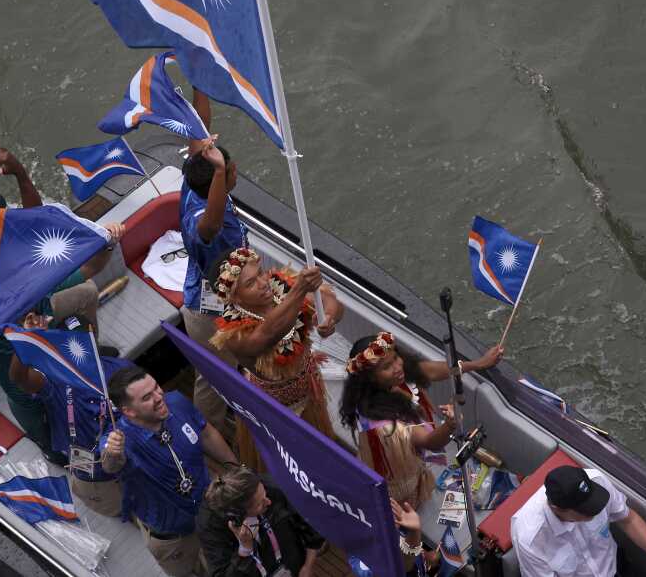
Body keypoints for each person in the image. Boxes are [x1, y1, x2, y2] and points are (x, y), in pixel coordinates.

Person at [0, 133, 124, 453]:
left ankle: (92, 351)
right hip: (25, 385)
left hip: (50, 339)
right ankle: (47, 446)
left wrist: (109, 241)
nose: (6, 227)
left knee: (87, 293)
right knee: (42, 425)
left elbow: (84, 262)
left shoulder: (20, 272)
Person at [205, 247, 343, 471]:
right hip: (278, 413)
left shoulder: (280, 285)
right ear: (233, 297)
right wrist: (299, 290)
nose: (263, 282)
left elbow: (330, 300)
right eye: (251, 283)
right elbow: (266, 336)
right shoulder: (232, 332)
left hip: (309, 388)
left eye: (260, 272)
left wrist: (327, 318)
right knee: (295, 467)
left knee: (321, 458)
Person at [338, 331, 502, 509]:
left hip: (409, 455)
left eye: (395, 358)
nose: (397, 366)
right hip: (396, 473)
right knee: (404, 505)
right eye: (387, 366)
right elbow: (429, 442)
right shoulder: (385, 423)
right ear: (369, 379)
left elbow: (431, 370)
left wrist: (479, 364)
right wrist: (450, 424)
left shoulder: (392, 378)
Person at [101, 366, 239, 576]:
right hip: (176, 539)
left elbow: (206, 433)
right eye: (147, 397)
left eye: (157, 387)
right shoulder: (120, 440)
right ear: (128, 411)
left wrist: (236, 469)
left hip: (214, 512)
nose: (159, 397)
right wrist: (112, 453)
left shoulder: (175, 401)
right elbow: (110, 465)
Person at [7, 312, 131, 516]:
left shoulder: (121, 368)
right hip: (91, 473)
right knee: (120, 510)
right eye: (71, 344)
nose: (79, 351)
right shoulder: (52, 380)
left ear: (93, 337)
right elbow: (19, 378)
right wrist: (26, 338)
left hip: (130, 454)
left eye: (82, 341)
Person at [179, 139, 249, 443]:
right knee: (213, 381)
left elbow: (197, 137)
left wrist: (200, 90)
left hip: (230, 298)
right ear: (228, 172)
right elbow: (212, 225)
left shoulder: (193, 185)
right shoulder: (203, 221)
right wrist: (220, 170)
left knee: (234, 367)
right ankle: (212, 441)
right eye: (229, 169)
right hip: (208, 313)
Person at [511, 465, 646, 577]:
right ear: (558, 509)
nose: (595, 509)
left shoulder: (596, 480)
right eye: (585, 510)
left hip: (616, 566)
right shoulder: (530, 537)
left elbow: (628, 519)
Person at [198, 467, 325, 577]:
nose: (268, 501)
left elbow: (309, 526)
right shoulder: (210, 526)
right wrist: (244, 549)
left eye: (264, 494)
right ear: (239, 514)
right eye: (260, 503)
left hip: (292, 563)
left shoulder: (267, 486)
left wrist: (308, 565)